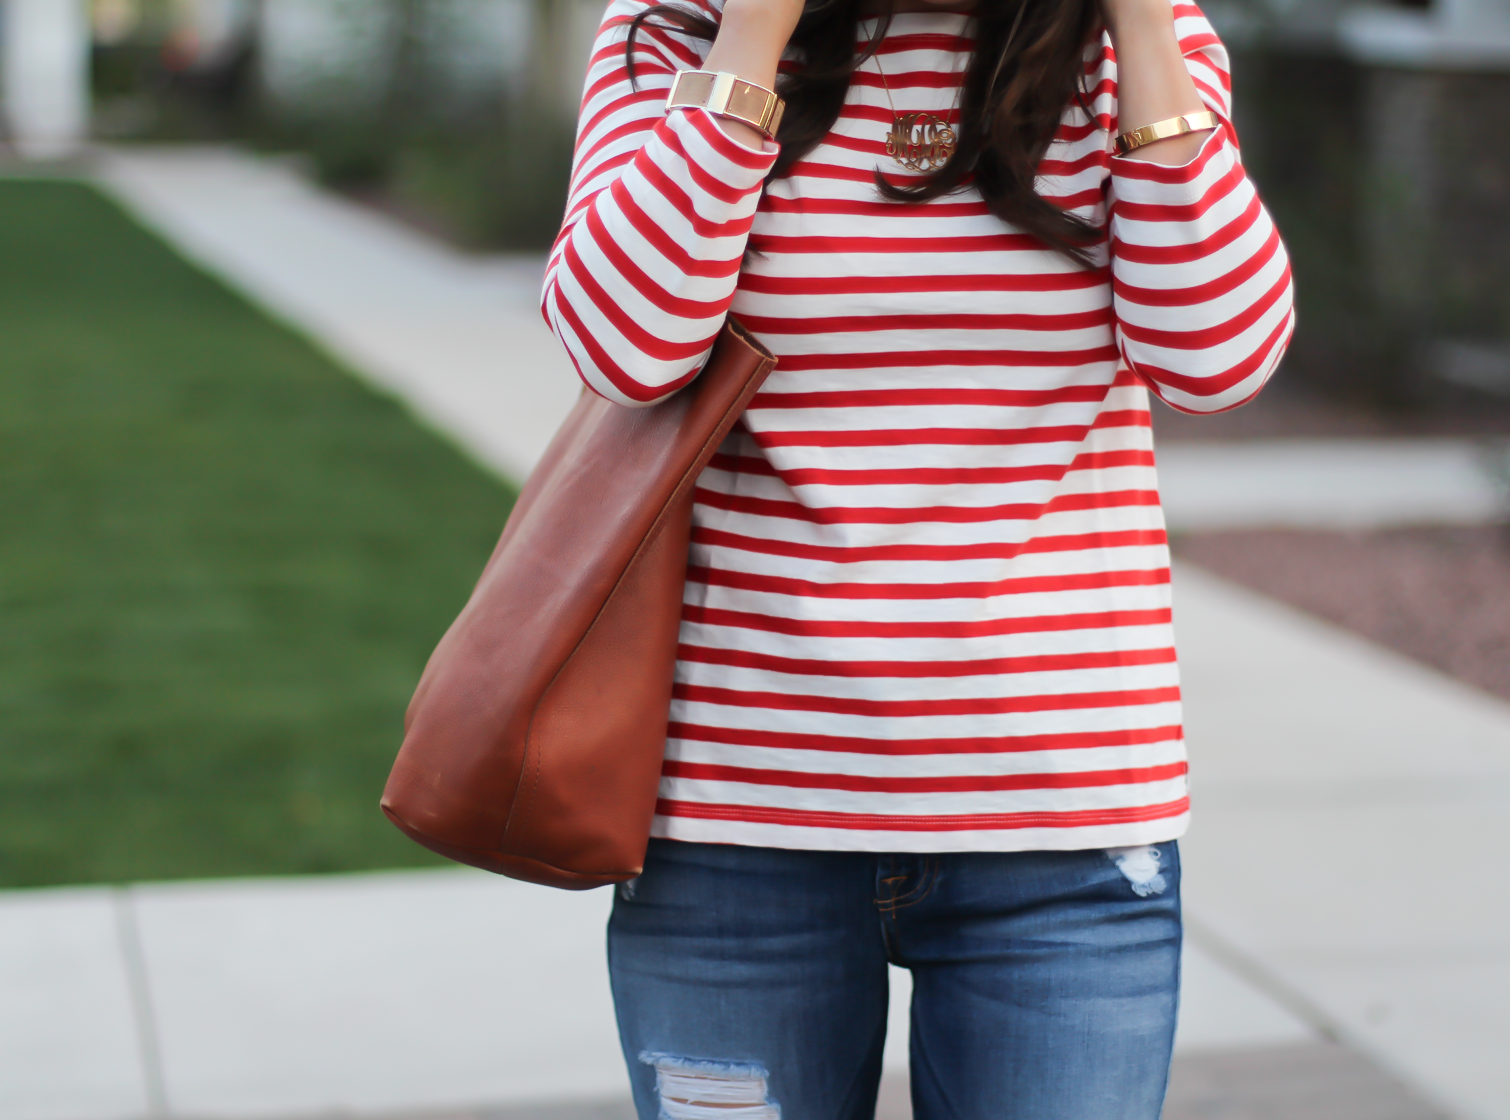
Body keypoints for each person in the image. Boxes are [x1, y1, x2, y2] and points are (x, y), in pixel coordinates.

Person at [541, 0, 1292, 1115]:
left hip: (1062, 841)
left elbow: (1217, 356)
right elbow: (621, 346)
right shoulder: (676, 27)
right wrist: (749, 46)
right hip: (736, 833)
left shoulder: (1139, 42)